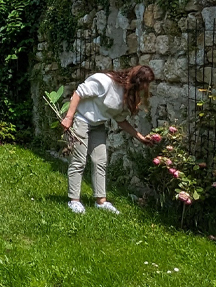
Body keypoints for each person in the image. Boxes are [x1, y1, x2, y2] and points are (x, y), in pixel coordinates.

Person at [58, 65, 162, 214]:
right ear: (137, 81)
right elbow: (78, 93)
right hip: (81, 120)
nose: (145, 88)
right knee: (79, 161)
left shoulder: (126, 94)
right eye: (145, 84)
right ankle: (74, 201)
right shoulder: (104, 82)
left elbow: (121, 120)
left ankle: (101, 202)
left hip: (98, 125)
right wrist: (68, 117)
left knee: (100, 161)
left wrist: (140, 137)